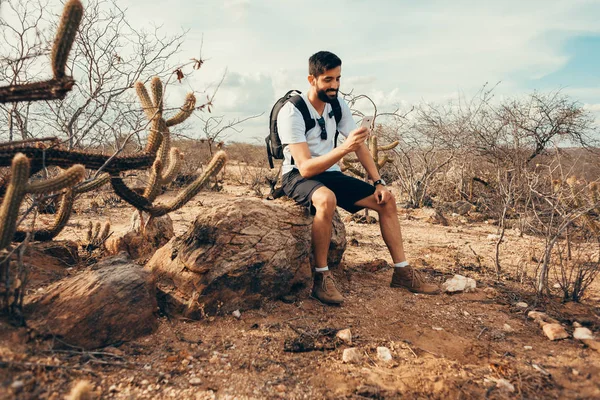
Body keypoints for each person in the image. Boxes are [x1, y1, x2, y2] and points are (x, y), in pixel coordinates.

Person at [277, 51, 440, 305]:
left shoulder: (337, 104)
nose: (334, 86)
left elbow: (359, 144)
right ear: (312, 79)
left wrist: (378, 182)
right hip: (297, 175)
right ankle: (321, 277)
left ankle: (402, 272)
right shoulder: (293, 111)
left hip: (329, 172)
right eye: (328, 80)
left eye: (338, 79)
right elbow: (306, 168)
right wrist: (344, 148)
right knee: (326, 199)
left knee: (387, 201)